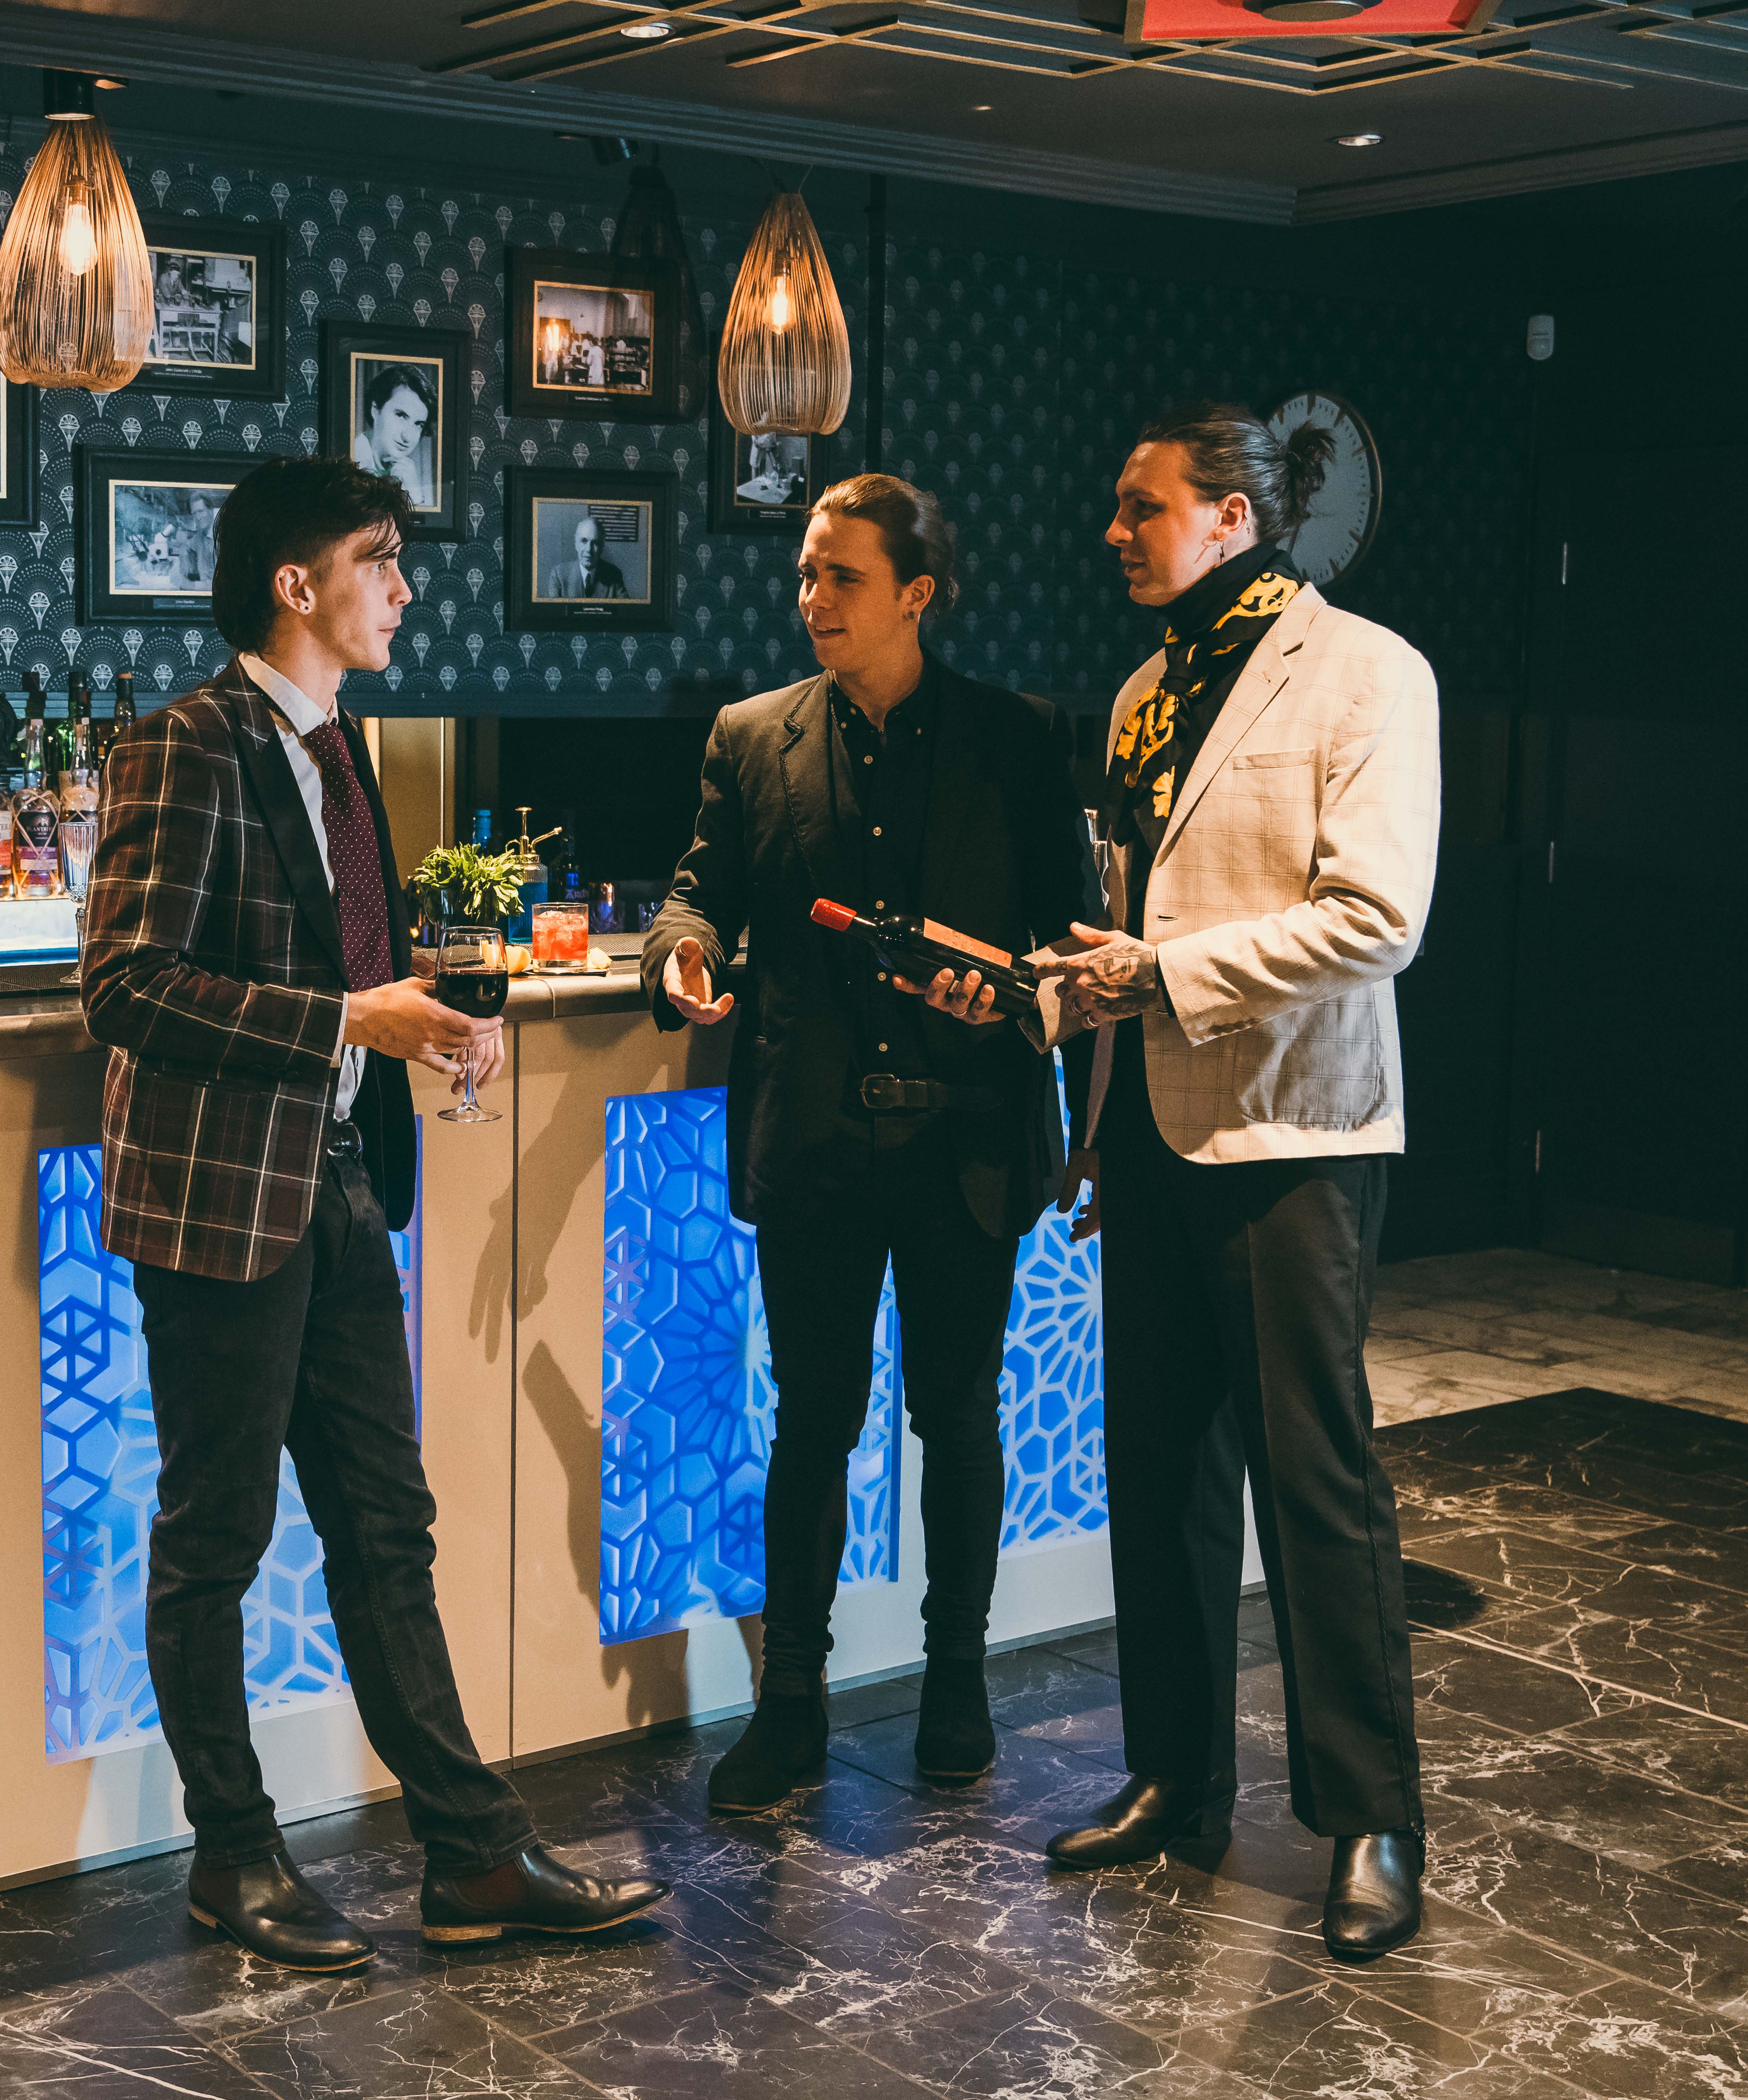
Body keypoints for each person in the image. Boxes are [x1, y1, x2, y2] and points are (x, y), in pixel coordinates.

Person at [80, 456, 669, 1972]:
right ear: (298, 584)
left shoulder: (345, 749)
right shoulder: (182, 744)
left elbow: (341, 965)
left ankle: (472, 1857)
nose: (404, 588)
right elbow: (126, 987)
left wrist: (417, 1024)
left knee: (385, 1529)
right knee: (216, 1538)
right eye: (379, 559)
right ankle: (233, 1855)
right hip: (221, 1204)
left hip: (340, 1183)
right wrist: (353, 1019)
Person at [1033, 402, 1438, 1961]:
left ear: (1230, 515)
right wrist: (1081, 1071)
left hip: (1296, 1136)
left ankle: (1371, 1817)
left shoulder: (1368, 672)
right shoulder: (1145, 691)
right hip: (1151, 1129)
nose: (1114, 533)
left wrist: (1160, 972)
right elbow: (1129, 924)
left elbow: (1377, 917)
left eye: (1140, 507)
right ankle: (1174, 1778)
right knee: (1158, 1473)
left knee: (1311, 1481)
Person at [642, 473, 1099, 1812]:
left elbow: (1069, 942)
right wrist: (680, 954)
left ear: (918, 593)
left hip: (969, 1138)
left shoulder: (1018, 739)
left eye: (840, 576)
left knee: (957, 1416)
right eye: (805, 572)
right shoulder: (749, 736)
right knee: (812, 1422)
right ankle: (790, 1702)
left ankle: (956, 1681)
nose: (811, 598)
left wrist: (1015, 1002)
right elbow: (698, 892)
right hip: (817, 1139)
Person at [351, 364, 435, 510]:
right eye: (401, 415)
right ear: (375, 410)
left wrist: (415, 495)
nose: (407, 437)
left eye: (418, 424)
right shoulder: (353, 460)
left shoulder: (406, 472)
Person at [542, 513, 628, 601]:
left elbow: (626, 608)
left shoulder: (614, 575)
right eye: (584, 541)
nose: (589, 550)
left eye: (595, 543)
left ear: (602, 547)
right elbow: (551, 608)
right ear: (576, 544)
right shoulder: (559, 575)